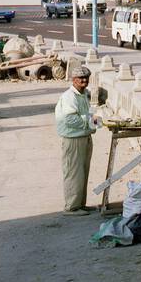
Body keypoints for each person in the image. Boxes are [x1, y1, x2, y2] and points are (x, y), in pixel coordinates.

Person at [54, 65, 100, 214]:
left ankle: (80, 204)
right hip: (73, 140)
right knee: (73, 173)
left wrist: (96, 122)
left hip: (84, 137)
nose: (84, 80)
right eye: (80, 78)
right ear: (73, 80)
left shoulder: (84, 94)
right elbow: (69, 119)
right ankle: (71, 207)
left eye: (86, 78)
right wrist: (90, 121)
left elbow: (90, 113)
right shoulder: (69, 97)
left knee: (83, 173)